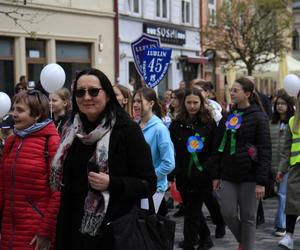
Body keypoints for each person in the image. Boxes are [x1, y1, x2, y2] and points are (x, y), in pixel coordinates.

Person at [51, 68, 157, 250]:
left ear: (107, 95)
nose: (86, 97)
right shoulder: (70, 130)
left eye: (93, 91)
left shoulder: (127, 130)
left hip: (112, 230)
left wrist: (112, 183)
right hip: (72, 227)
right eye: (80, 92)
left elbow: (148, 183)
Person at [211, 77, 271, 250]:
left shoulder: (259, 117)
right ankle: (245, 244)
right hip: (228, 174)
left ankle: (246, 247)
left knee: (248, 218)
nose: (232, 93)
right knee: (228, 213)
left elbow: (265, 150)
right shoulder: (227, 117)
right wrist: (215, 175)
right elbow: (218, 148)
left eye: (236, 90)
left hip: (251, 177)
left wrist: (261, 182)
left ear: (247, 94)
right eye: (231, 90)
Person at [0, 90, 60, 250]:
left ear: (37, 114)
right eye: (13, 109)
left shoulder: (52, 142)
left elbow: (57, 193)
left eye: (20, 110)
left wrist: (45, 232)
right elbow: (2, 187)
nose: (13, 114)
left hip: (36, 233)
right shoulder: (12, 140)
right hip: (8, 231)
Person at [169, 88, 220, 250]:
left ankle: (189, 243)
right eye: (189, 102)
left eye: (195, 103)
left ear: (201, 103)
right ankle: (206, 238)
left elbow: (215, 150)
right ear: (184, 103)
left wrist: (207, 169)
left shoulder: (209, 123)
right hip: (184, 175)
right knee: (193, 210)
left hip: (202, 176)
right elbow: (172, 150)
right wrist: (175, 171)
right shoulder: (176, 124)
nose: (192, 106)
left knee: (191, 213)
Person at [133, 87, 175, 215]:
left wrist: (149, 177)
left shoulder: (159, 129)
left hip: (154, 189)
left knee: (148, 227)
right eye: (134, 101)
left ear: (151, 104)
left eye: (139, 101)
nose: (135, 105)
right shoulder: (135, 126)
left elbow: (169, 163)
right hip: (137, 187)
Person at [277, 91, 300, 250]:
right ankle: (289, 236)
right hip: (296, 168)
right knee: (292, 202)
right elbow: (286, 149)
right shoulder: (293, 121)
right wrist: (281, 169)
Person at [270, 92, 295, 237]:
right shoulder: (271, 123)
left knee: (282, 195)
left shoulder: (293, 122)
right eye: (278, 103)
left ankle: (281, 225)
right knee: (281, 194)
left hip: (288, 164)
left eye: (283, 103)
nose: (280, 106)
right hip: (273, 164)